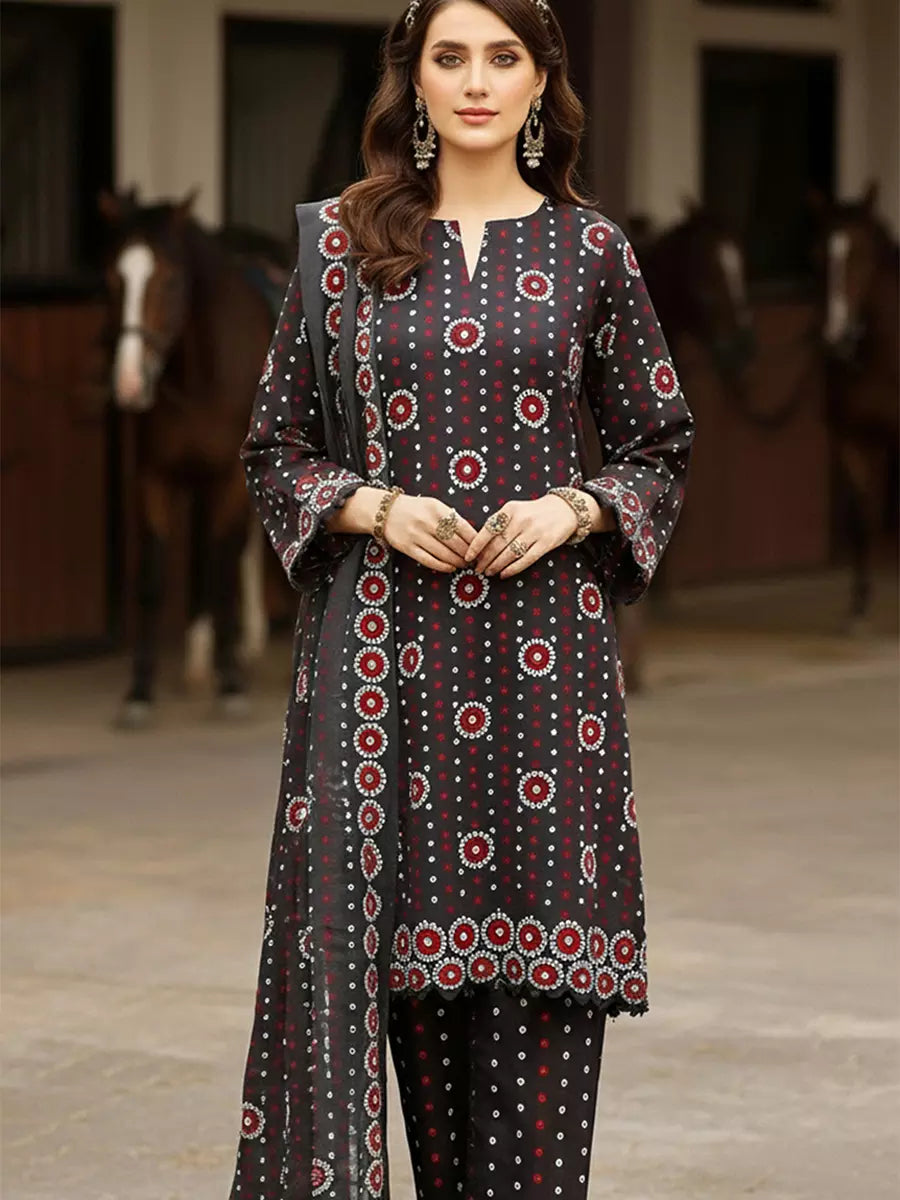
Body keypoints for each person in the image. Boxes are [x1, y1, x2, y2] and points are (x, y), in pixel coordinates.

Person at [228, 1, 694, 1197]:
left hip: (549, 692)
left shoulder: (592, 252)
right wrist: (372, 507)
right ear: (417, 80)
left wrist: (575, 509)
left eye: (503, 57)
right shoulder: (342, 244)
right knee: (413, 1049)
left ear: (540, 83)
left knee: (539, 1072)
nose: (477, 81)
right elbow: (275, 449)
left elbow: (659, 447)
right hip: (384, 689)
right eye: (451, 57)